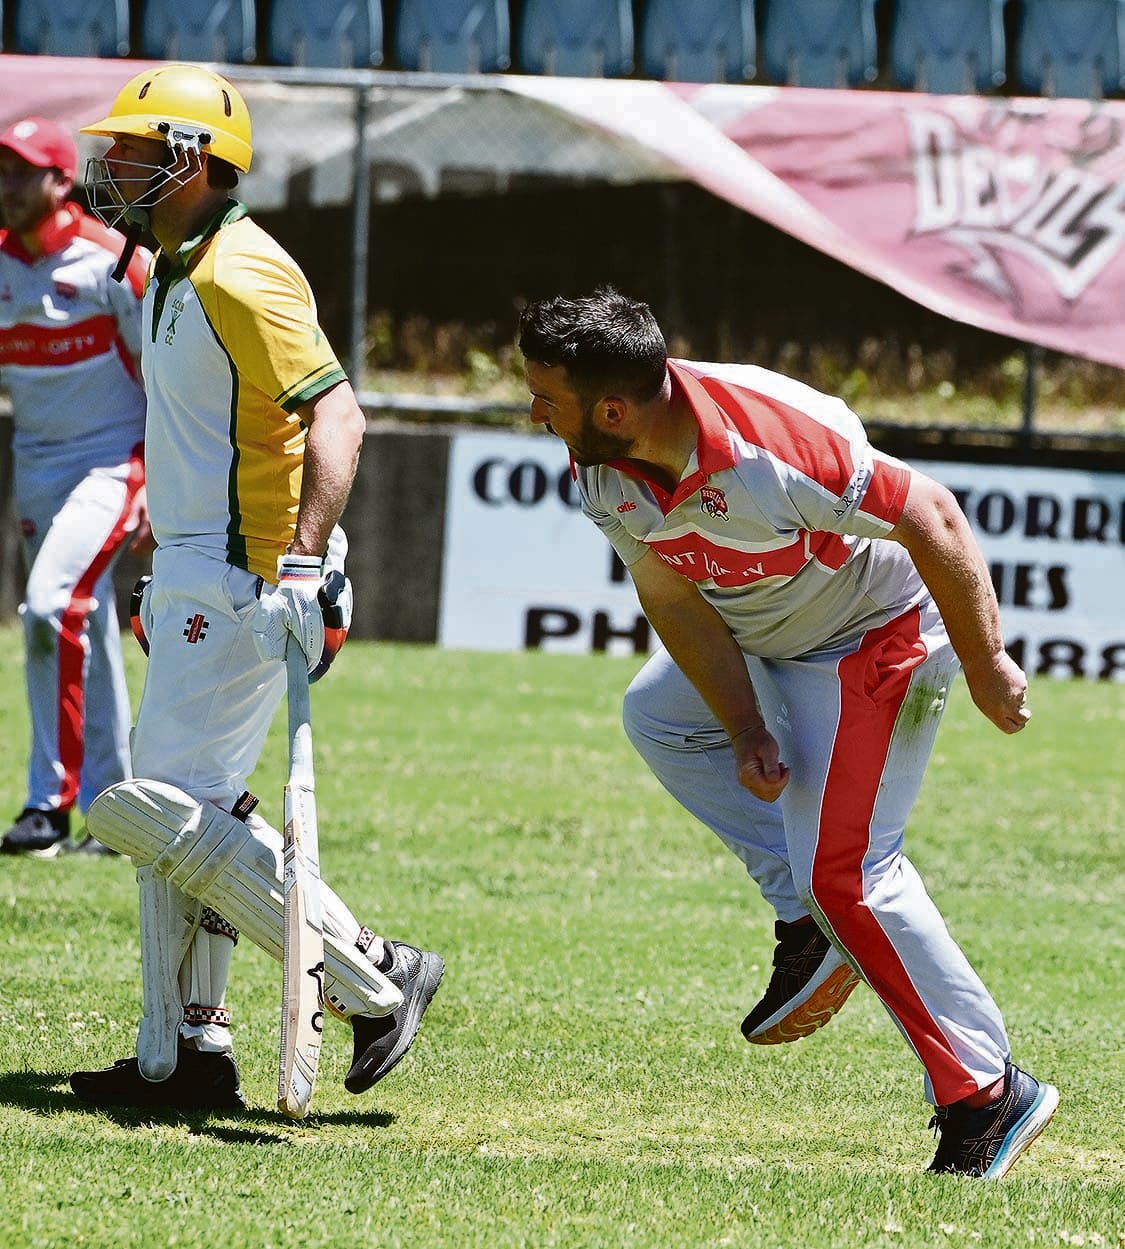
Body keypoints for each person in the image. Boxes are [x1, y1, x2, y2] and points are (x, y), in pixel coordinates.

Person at [518, 287, 1058, 1178]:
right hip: (770, 644)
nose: (532, 413)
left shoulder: (771, 441)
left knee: (849, 870)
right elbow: (670, 598)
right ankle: (807, 919)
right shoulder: (602, 465)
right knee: (657, 715)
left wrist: (987, 659)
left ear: (611, 407)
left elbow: (933, 516)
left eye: (545, 397)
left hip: (873, 640)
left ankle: (986, 1091)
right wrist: (740, 728)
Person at [67, 64, 443, 1111]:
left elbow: (338, 417)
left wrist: (304, 560)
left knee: (158, 810)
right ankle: (196, 1047)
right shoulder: (177, 268)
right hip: (198, 564)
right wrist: (163, 557)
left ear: (186, 159)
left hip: (249, 577)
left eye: (132, 149)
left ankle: (371, 976)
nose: (110, 165)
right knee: (192, 815)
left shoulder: (242, 270)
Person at [0, 116, 151, 859]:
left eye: (22, 171)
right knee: (80, 626)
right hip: (36, 467)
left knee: (50, 606)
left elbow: (169, 367)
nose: (6, 185)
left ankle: (47, 805)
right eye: (0, 170)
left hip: (113, 462)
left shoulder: (113, 258)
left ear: (63, 180)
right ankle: (116, 812)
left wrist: (162, 472)